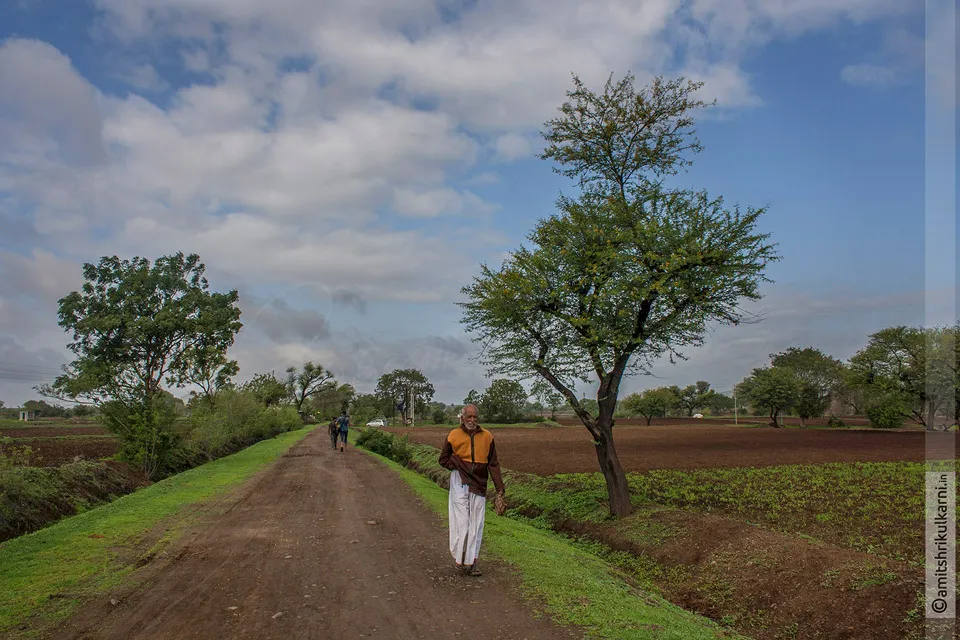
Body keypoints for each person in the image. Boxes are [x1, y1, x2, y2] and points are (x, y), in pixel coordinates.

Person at [438, 403, 505, 577]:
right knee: (463, 523)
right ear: (462, 417)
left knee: (477, 523)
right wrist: (459, 465)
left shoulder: (487, 437)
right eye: (469, 417)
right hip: (459, 482)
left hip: (480, 484)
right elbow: (443, 459)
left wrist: (500, 489)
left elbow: (493, 463)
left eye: (475, 417)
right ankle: (460, 558)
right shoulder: (453, 435)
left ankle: (472, 562)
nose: (472, 420)